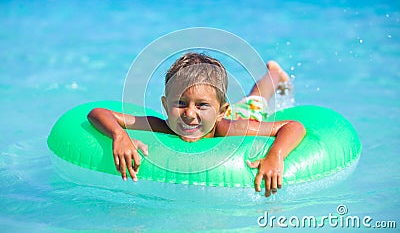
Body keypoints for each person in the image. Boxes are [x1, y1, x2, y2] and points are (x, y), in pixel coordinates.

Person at [88, 52, 306, 197]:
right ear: (165, 104)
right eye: (180, 103)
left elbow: (293, 126)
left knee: (256, 100)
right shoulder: (162, 125)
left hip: (244, 115)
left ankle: (274, 74)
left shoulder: (228, 128)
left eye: (200, 105)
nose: (189, 114)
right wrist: (119, 135)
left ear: (221, 112)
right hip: (220, 110)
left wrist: (275, 155)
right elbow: (98, 113)